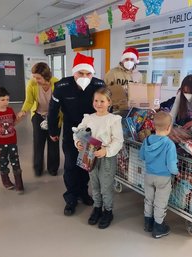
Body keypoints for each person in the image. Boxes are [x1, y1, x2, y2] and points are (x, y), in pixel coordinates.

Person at [48, 53, 106, 216]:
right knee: (71, 165)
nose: (84, 76)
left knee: (85, 164)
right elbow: (53, 110)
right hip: (71, 130)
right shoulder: (61, 86)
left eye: (88, 73)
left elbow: (106, 107)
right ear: (74, 72)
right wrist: (53, 131)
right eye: (80, 73)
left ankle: (83, 192)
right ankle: (71, 198)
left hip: (91, 133)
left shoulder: (99, 85)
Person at [73, 87, 123, 229]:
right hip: (89, 156)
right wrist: (77, 142)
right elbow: (78, 132)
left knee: (106, 186)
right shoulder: (88, 118)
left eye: (102, 101)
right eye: (96, 100)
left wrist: (106, 151)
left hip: (106, 157)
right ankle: (97, 207)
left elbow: (118, 140)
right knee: (94, 183)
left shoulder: (113, 120)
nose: (98, 104)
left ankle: (108, 211)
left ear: (109, 102)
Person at [139, 111, 179, 239]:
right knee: (160, 202)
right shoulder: (169, 144)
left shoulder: (147, 140)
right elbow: (172, 165)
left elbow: (142, 156)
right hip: (163, 178)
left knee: (149, 199)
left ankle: (147, 223)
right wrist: (176, 172)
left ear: (154, 126)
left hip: (149, 175)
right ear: (169, 128)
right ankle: (158, 227)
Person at [17, 63, 61, 177]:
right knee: (38, 143)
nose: (35, 80)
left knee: (54, 143)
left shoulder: (57, 83)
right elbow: (29, 101)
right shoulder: (32, 84)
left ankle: (53, 168)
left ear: (46, 76)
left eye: (38, 78)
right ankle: (38, 168)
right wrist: (23, 110)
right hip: (38, 115)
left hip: (54, 117)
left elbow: (62, 102)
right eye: (34, 77)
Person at [0, 87, 24, 194]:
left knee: (15, 161)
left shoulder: (10, 110)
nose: (5, 102)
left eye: (7, 99)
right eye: (2, 100)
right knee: (3, 163)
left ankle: (19, 182)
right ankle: (6, 181)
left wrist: (19, 117)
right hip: (0, 144)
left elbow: (13, 123)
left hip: (12, 142)